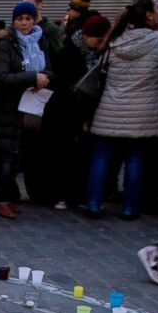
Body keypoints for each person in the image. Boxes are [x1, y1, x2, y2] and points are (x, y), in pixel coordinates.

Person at [86, 0, 158, 220]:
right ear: (149, 15)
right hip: (143, 113)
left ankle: (93, 204)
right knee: (135, 160)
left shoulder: (114, 40)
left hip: (109, 109)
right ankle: (129, 208)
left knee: (101, 158)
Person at [0, 1, 53, 219]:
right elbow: (2, 76)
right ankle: (1, 199)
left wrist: (43, 79)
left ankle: (9, 197)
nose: (24, 23)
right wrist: (31, 77)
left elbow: (49, 69)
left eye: (28, 19)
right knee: (5, 157)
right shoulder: (6, 45)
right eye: (20, 19)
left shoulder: (40, 41)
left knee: (18, 156)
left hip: (32, 105)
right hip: (9, 107)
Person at [46, 14, 110, 209]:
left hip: (82, 110)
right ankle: (60, 195)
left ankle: (75, 194)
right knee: (63, 153)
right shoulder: (68, 53)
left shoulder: (98, 54)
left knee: (79, 154)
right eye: (98, 39)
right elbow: (60, 82)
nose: (99, 44)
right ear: (87, 35)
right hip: (65, 110)